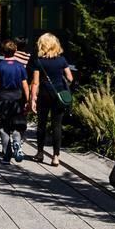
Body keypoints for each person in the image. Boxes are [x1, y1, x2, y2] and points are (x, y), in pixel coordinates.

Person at [28, 33, 76, 166]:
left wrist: (32, 99)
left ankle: (40, 153)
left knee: (41, 124)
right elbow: (70, 78)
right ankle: (56, 156)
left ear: (42, 45)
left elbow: (35, 83)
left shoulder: (39, 61)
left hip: (44, 95)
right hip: (59, 95)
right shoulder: (62, 60)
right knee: (57, 126)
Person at [0, 39, 30, 163]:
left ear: (2, 52)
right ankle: (17, 143)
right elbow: (25, 85)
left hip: (4, 99)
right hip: (17, 99)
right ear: (15, 51)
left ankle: (7, 155)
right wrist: (27, 100)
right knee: (17, 124)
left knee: (4, 127)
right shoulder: (20, 66)